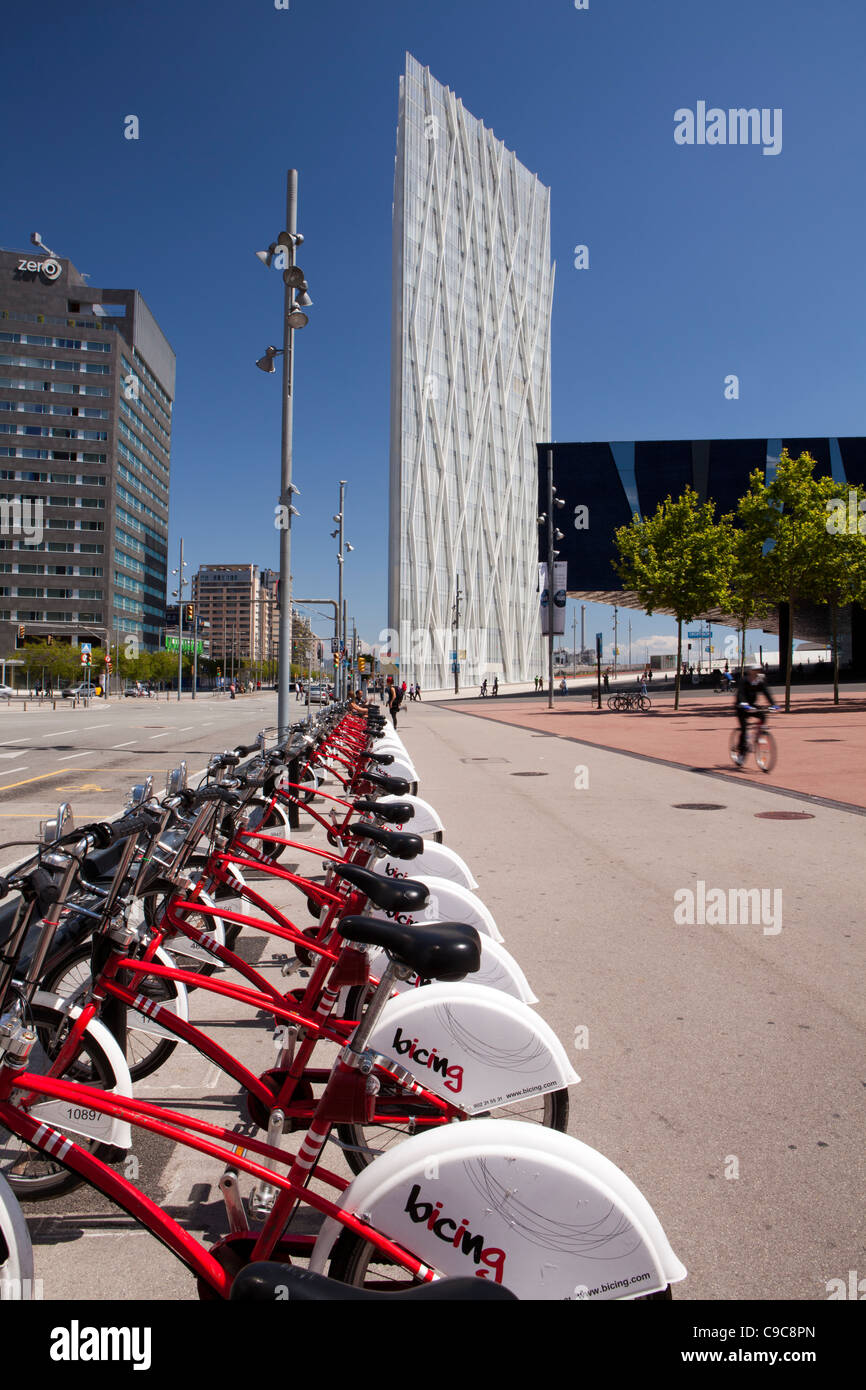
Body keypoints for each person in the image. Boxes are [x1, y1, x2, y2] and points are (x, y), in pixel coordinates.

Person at [733, 666, 777, 763]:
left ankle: (759, 735)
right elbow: (740, 694)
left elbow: (766, 692)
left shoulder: (759, 681)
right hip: (741, 707)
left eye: (758, 671)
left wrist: (773, 704)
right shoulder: (744, 680)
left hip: (752, 706)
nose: (757, 673)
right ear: (750, 671)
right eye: (755, 671)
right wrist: (744, 704)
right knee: (744, 730)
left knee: (762, 716)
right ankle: (741, 753)